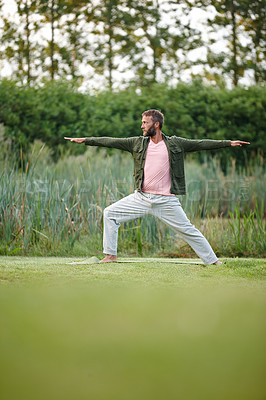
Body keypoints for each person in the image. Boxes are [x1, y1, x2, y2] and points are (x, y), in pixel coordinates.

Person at [64, 109, 250, 264]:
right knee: (110, 213)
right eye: (142, 123)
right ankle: (111, 255)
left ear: (156, 124)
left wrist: (228, 143)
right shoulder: (137, 143)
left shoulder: (175, 143)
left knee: (189, 230)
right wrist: (86, 140)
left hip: (166, 201)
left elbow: (201, 144)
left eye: (145, 123)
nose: (142, 126)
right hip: (142, 198)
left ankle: (213, 261)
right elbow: (111, 141)